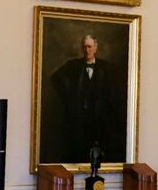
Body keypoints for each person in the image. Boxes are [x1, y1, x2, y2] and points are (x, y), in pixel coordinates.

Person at [45, 35, 128, 164]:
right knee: (78, 149)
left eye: (89, 47)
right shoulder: (73, 65)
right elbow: (55, 78)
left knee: (100, 148)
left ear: (95, 48)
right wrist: (68, 97)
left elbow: (114, 91)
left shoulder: (106, 67)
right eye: (84, 47)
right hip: (78, 117)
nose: (87, 50)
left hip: (99, 118)